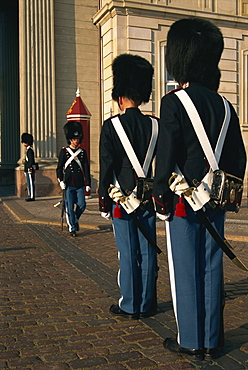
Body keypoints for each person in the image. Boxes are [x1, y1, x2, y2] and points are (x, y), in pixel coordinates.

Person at [153, 18, 246, 360]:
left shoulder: (174, 102)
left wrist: (161, 193)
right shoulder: (225, 106)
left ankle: (191, 340)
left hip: (183, 203)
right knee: (211, 269)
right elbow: (239, 157)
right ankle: (212, 339)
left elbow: (166, 156)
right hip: (216, 201)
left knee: (186, 271)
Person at [99, 53, 159, 320]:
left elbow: (107, 166)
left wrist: (104, 197)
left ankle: (130, 305)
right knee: (147, 251)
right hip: (147, 198)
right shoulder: (155, 125)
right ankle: (147, 304)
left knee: (127, 252)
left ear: (120, 96)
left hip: (122, 200)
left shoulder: (111, 126)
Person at [56, 121, 91, 237]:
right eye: (74, 138)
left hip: (79, 183)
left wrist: (88, 183)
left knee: (82, 205)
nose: (76, 140)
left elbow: (86, 168)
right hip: (68, 183)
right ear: (70, 139)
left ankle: (74, 220)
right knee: (69, 207)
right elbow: (59, 167)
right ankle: (72, 228)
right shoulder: (64, 152)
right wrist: (60, 181)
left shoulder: (82, 153)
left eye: (77, 138)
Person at [21, 133, 36, 202]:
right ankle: (30, 195)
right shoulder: (28, 150)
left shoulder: (30, 150)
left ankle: (32, 196)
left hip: (29, 169)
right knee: (29, 183)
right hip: (28, 168)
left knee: (30, 183)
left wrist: (28, 167)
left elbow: (31, 161)